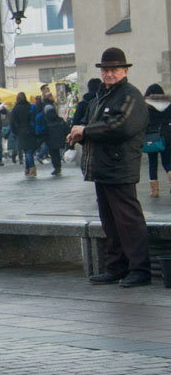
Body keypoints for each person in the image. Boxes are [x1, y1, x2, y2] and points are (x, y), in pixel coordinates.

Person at [68, 47, 151, 288]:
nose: (109, 74)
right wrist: (79, 134)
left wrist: (86, 131)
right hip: (103, 168)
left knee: (129, 221)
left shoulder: (130, 95)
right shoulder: (101, 96)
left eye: (114, 70)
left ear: (125, 71)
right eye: (106, 70)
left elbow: (120, 127)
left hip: (120, 167)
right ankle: (116, 267)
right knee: (110, 222)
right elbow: (97, 127)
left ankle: (140, 269)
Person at [143, 83, 171, 197]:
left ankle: (154, 191)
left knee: (152, 163)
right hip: (167, 136)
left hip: (151, 137)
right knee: (167, 162)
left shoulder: (146, 105)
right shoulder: (168, 104)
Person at [10, 93, 40, 177]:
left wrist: (15, 132)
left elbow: (12, 122)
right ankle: (27, 169)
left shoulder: (15, 109)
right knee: (29, 150)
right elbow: (34, 118)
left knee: (27, 151)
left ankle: (32, 168)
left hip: (20, 132)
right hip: (30, 130)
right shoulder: (30, 107)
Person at [43, 103, 69, 176]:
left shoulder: (46, 120)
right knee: (57, 153)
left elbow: (44, 131)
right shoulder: (59, 119)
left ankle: (56, 167)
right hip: (60, 138)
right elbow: (66, 128)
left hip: (50, 139)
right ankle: (58, 166)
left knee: (53, 154)